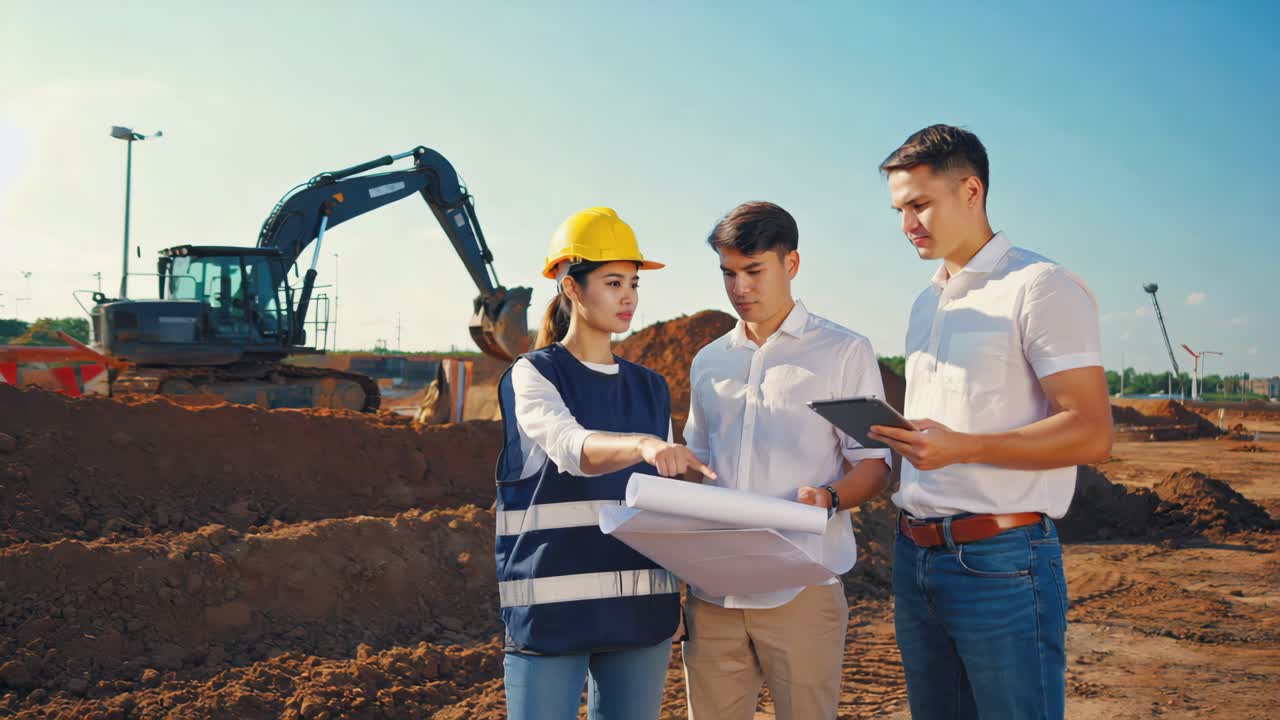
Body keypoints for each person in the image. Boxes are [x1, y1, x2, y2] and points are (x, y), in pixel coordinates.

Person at [869, 124, 1113, 720]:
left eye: (920, 204)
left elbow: (1091, 431)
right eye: (900, 209)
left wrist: (962, 448)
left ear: (971, 190)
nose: (908, 224)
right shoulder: (926, 300)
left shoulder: (1040, 287)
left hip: (1001, 560)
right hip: (915, 554)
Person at [495, 206, 714, 720]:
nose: (629, 297)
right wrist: (642, 445)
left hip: (641, 615)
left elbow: (659, 502)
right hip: (551, 617)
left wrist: (674, 592)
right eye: (613, 282)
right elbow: (570, 447)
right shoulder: (533, 374)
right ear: (571, 287)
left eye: (634, 283)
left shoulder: (650, 386)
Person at [680, 201, 891, 720]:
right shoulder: (708, 361)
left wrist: (830, 498)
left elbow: (874, 463)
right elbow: (698, 466)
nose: (740, 288)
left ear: (790, 264)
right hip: (714, 597)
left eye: (754, 271)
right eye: (728, 273)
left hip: (801, 590)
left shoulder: (843, 352)